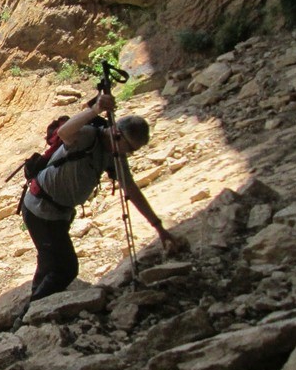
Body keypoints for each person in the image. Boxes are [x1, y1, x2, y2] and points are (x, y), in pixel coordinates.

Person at [22, 92, 181, 301]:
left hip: (58, 212)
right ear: (116, 132)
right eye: (130, 147)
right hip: (40, 209)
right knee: (67, 268)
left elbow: (131, 190)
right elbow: (65, 131)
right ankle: (34, 308)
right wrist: (95, 109)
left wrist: (158, 227)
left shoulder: (115, 156)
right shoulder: (87, 136)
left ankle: (35, 301)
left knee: (49, 258)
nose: (130, 153)